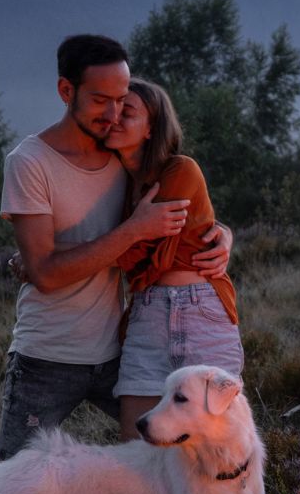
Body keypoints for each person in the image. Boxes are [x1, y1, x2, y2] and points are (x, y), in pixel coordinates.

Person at [0, 34, 230, 460]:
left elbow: (175, 211)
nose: (114, 113)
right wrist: (135, 230)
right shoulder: (29, 163)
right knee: (13, 473)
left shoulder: (121, 160)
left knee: (166, 457)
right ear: (67, 91)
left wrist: (221, 233)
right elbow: (47, 274)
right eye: (101, 100)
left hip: (119, 351)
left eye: (122, 100)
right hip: (48, 356)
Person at [104, 79, 244, 439]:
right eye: (113, 108)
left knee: (216, 444)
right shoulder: (116, 181)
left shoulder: (180, 169)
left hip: (202, 312)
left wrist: (106, 249)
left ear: (152, 128)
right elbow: (138, 254)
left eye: (127, 111)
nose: (114, 117)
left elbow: (152, 257)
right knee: (136, 445)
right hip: (147, 315)